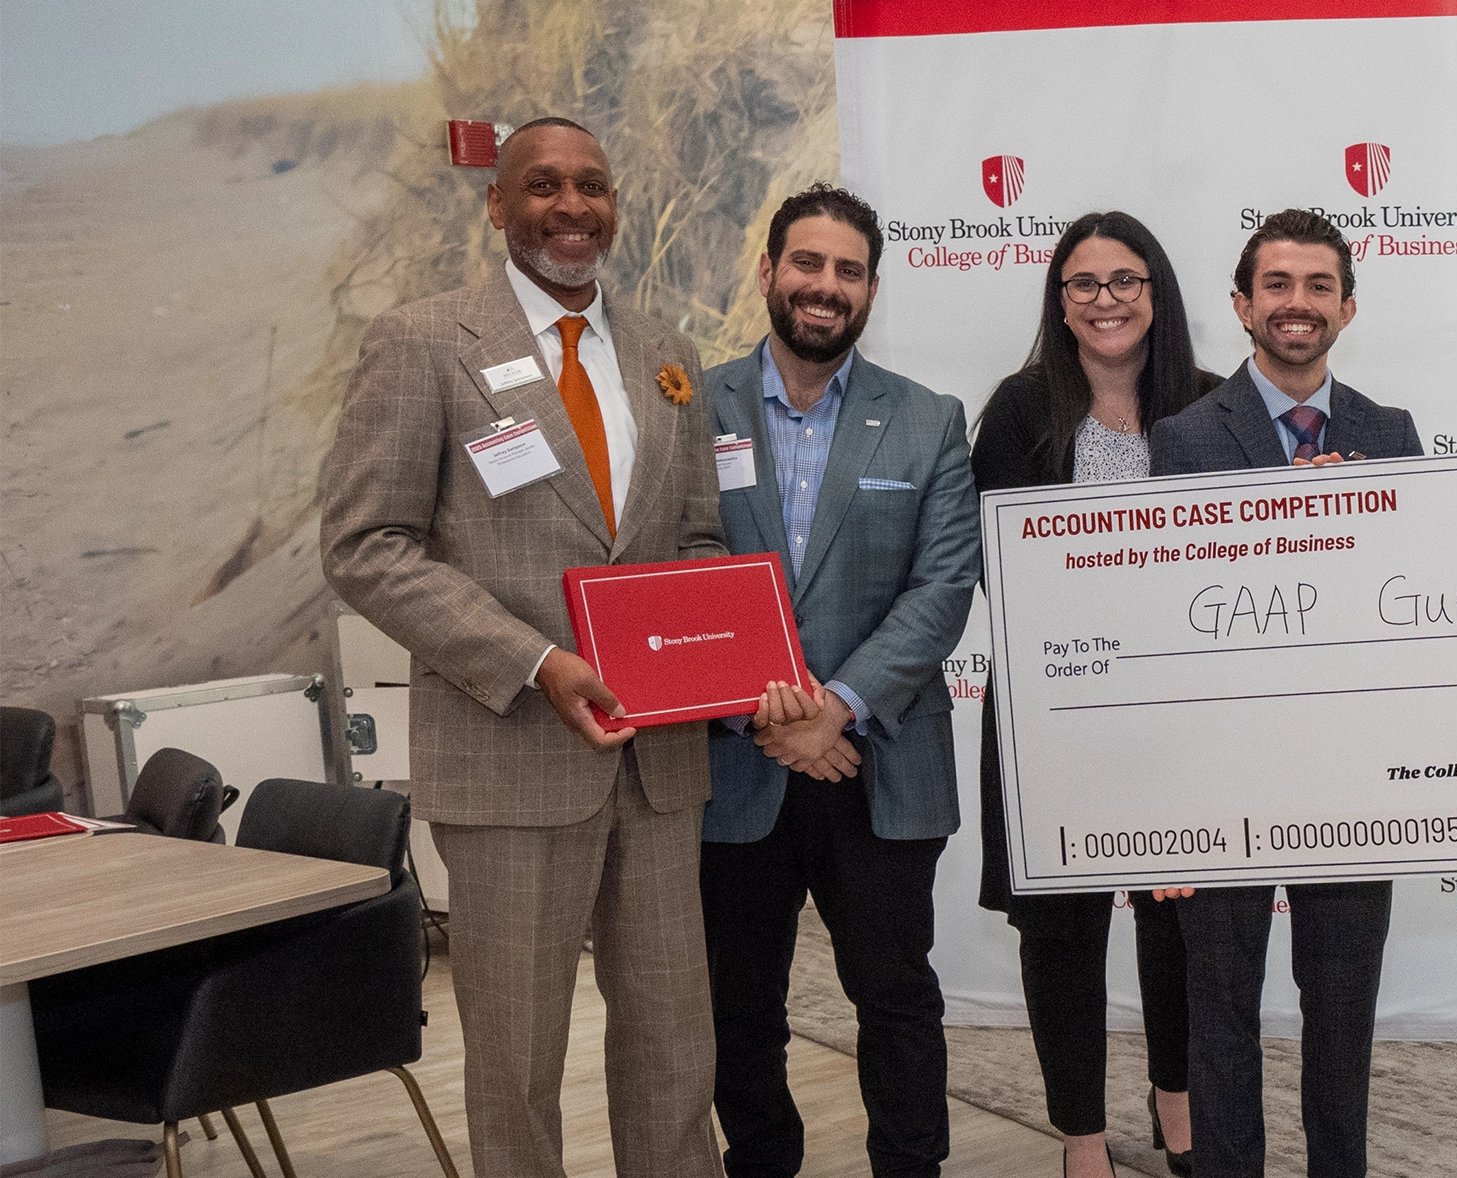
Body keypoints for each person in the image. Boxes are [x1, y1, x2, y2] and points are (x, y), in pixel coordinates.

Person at [318, 117, 727, 1178]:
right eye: (543, 185)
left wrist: (710, 651)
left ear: (617, 206)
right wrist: (537, 662)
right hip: (508, 754)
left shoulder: (668, 354)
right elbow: (366, 545)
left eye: (593, 185)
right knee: (516, 1064)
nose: (572, 206)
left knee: (678, 1048)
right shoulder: (423, 342)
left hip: (659, 762)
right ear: (497, 204)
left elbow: (696, 538)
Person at [695, 184, 980, 1178]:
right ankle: (762, 1160)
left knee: (897, 999)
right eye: (808, 263)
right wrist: (765, 712)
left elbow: (943, 585)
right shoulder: (691, 408)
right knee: (738, 1005)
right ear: (768, 272)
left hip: (879, 760)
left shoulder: (929, 420)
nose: (826, 286)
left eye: (848, 271)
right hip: (736, 764)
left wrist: (835, 708)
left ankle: (911, 1165)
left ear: (870, 289)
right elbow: (674, 571)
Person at [1144, 207, 1423, 1178]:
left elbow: (1418, 605)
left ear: (1348, 307)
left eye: (1317, 286)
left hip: (1352, 778)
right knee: (1219, 1015)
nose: (1296, 303)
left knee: (1342, 1016)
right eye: (1276, 284)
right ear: (1241, 303)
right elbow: (1162, 621)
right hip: (1221, 776)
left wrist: (1355, 528)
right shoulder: (1182, 438)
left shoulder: (1391, 435)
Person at [970, 210, 1220, 1178]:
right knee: (1062, 931)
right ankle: (1080, 1134)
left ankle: (1177, 1101)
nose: (1106, 299)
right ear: (1060, 300)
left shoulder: (1210, 403)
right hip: (1055, 711)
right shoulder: (1020, 408)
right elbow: (996, 563)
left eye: (1125, 280)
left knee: (1181, 915)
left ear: (1156, 292)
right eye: (1084, 282)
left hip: (1182, 713)